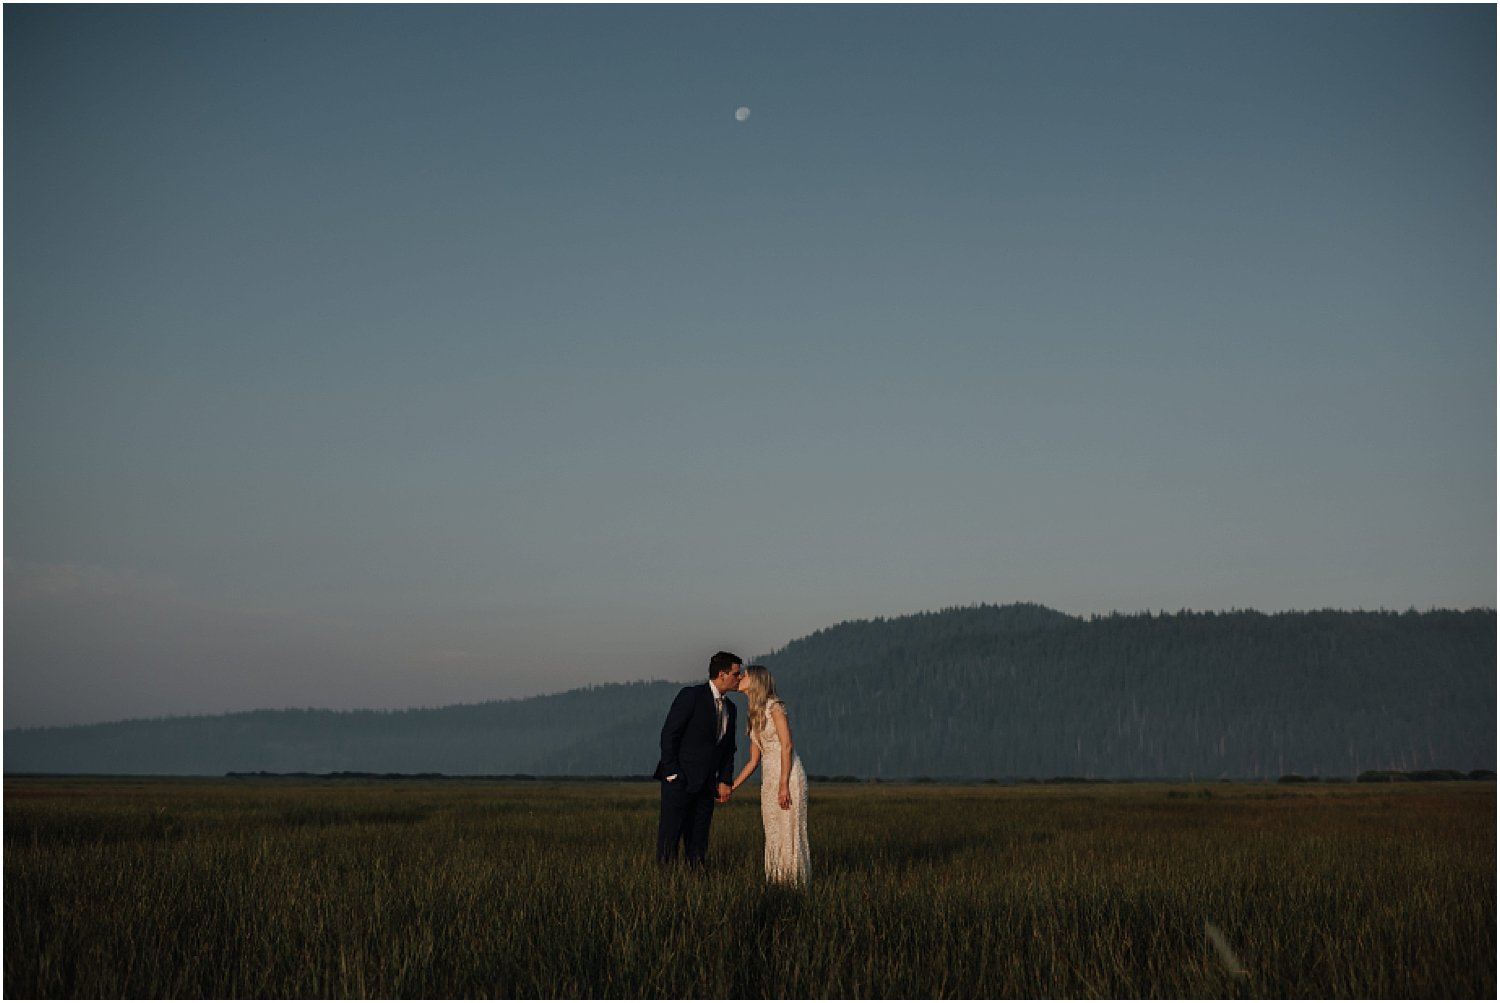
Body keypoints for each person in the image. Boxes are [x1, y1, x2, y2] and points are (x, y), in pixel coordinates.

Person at [653, 650, 743, 867]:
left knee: (698, 845)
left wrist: (724, 779)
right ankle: (665, 890)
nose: (740, 678)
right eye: (736, 673)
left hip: (706, 786)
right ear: (722, 675)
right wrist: (673, 773)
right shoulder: (691, 696)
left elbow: (728, 748)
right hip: (679, 783)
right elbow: (669, 735)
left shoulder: (731, 708)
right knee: (669, 842)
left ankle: (695, 888)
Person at [730, 664, 810, 886]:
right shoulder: (754, 714)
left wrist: (783, 784)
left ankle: (796, 885)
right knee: (773, 832)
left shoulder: (775, 707)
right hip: (769, 779)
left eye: (745, 676)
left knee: (790, 832)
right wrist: (732, 786)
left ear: (756, 681)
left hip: (788, 777)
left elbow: (787, 745)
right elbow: (754, 761)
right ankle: (777, 883)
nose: (741, 678)